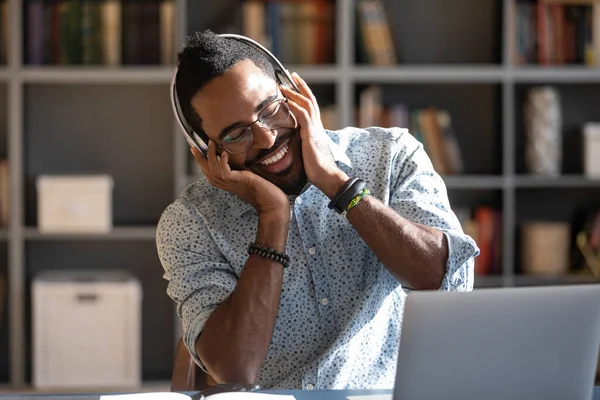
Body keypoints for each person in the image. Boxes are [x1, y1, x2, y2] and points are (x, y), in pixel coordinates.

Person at [156, 29, 479, 390]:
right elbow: (236, 368)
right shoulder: (189, 222)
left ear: (293, 92)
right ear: (205, 149)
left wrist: (337, 185)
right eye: (235, 134)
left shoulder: (391, 154)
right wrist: (273, 215)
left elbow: (446, 281)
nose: (266, 137)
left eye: (270, 109)